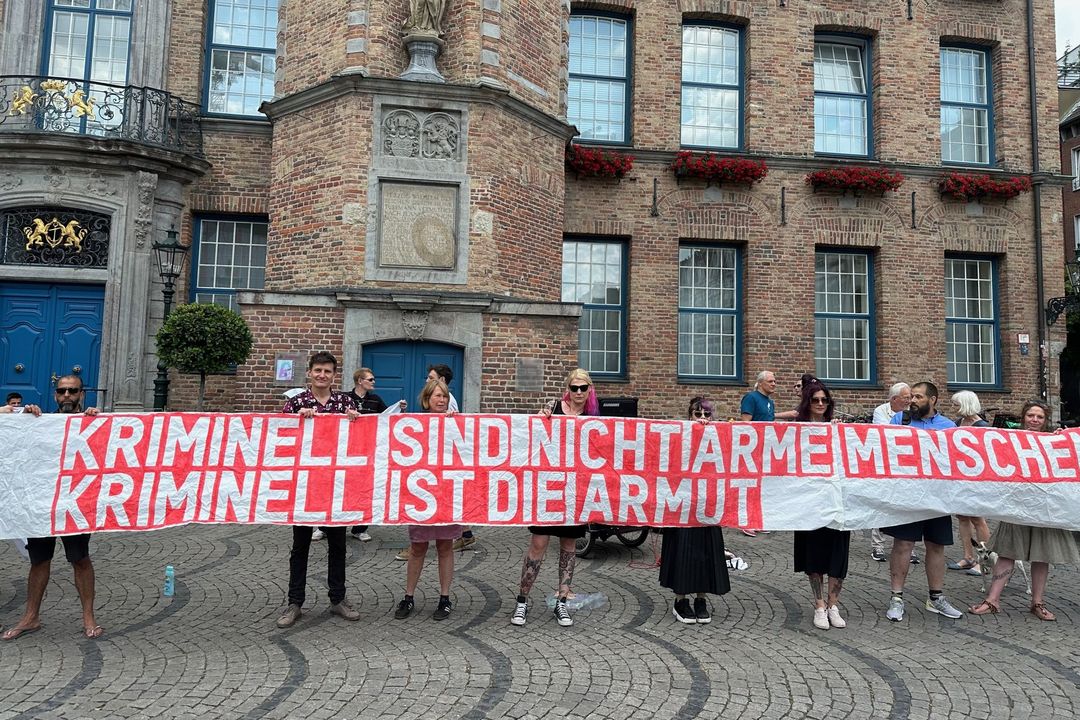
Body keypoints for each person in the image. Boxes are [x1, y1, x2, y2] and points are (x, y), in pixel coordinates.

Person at [2, 376, 103, 640]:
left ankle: (89, 617)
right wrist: (24, 417)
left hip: (75, 503)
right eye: (62, 391)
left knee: (80, 559)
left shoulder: (91, 422)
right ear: (55, 395)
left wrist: (99, 422)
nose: (66, 395)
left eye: (72, 390)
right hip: (42, 503)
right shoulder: (38, 421)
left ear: (82, 394)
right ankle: (31, 616)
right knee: (39, 561)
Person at [970, 401, 1080, 620]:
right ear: (1024, 417)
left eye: (1039, 417)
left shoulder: (1053, 440)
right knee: (1007, 553)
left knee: (1042, 556)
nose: (1035, 420)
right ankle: (992, 600)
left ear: (1045, 420)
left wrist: (1063, 439)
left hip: (1046, 507)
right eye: (1031, 415)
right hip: (1018, 505)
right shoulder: (1012, 440)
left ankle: (1037, 602)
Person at [276, 352, 363, 629]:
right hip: (305, 486)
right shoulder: (296, 403)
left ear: (334, 375)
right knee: (300, 546)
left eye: (327, 371)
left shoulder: (345, 402)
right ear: (310, 373)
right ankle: (295, 602)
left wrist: (356, 421)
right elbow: (280, 435)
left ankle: (338, 598)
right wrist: (296, 419)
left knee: (338, 545)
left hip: (336, 486)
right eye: (317, 370)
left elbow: (362, 439)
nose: (322, 375)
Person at [510, 368, 597, 628]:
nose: (579, 392)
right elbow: (533, 435)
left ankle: (562, 602)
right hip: (548, 489)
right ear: (567, 389)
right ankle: (522, 601)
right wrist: (541, 419)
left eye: (583, 388)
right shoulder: (553, 408)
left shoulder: (594, 416)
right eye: (574, 388)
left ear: (589, 389)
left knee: (569, 547)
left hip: (574, 490)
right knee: (538, 544)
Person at [882, 381, 964, 622]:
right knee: (903, 544)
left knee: (936, 545)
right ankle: (896, 597)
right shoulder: (899, 421)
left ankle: (936, 597)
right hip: (908, 493)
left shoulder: (948, 427)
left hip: (937, 495)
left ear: (933, 400)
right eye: (911, 397)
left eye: (918, 397)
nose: (912, 401)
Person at [659, 397, 731, 624]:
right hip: (683, 505)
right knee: (683, 550)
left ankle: (701, 599)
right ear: (689, 416)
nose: (701, 419)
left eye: (706, 414)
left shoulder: (719, 440)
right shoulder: (679, 438)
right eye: (697, 414)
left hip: (707, 506)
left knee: (705, 551)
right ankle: (680, 600)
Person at [394, 379, 459, 621]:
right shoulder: (415, 424)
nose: (441, 400)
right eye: (436, 396)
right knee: (418, 546)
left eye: (444, 396)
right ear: (427, 400)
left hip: (447, 492)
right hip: (422, 493)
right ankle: (408, 596)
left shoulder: (456, 423)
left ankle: (444, 598)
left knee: (445, 545)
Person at [792, 380, 850, 629]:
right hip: (809, 503)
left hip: (837, 501)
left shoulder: (837, 430)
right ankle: (819, 605)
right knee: (813, 555)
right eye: (815, 400)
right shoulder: (796, 430)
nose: (820, 404)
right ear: (808, 402)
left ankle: (833, 604)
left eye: (824, 400)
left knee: (837, 554)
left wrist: (839, 432)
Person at [947, 390, 992, 576]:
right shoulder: (958, 423)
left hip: (976, 479)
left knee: (977, 519)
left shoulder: (981, 425)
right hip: (960, 477)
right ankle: (968, 556)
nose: (953, 408)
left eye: (956, 404)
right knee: (963, 518)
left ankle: (985, 560)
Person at [870, 382, 915, 563]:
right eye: (906, 398)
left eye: (910, 397)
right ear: (894, 399)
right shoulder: (881, 411)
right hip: (885, 463)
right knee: (881, 502)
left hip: (906, 463)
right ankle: (877, 546)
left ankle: (908, 547)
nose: (909, 401)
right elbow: (887, 434)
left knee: (907, 505)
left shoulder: (913, 411)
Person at [347, 367, 386, 542]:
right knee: (341, 486)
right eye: (370, 379)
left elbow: (387, 417)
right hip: (347, 450)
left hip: (368, 449)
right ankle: (325, 527)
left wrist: (400, 409)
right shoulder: (345, 398)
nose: (373, 382)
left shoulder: (376, 400)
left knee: (365, 488)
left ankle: (360, 528)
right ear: (359, 381)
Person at [738, 370, 778, 536]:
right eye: (770, 381)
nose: (773, 384)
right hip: (752, 448)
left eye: (774, 381)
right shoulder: (751, 398)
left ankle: (756, 520)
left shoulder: (770, 402)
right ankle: (745, 521)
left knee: (761, 485)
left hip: (765, 447)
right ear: (761, 383)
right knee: (750, 485)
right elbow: (746, 422)